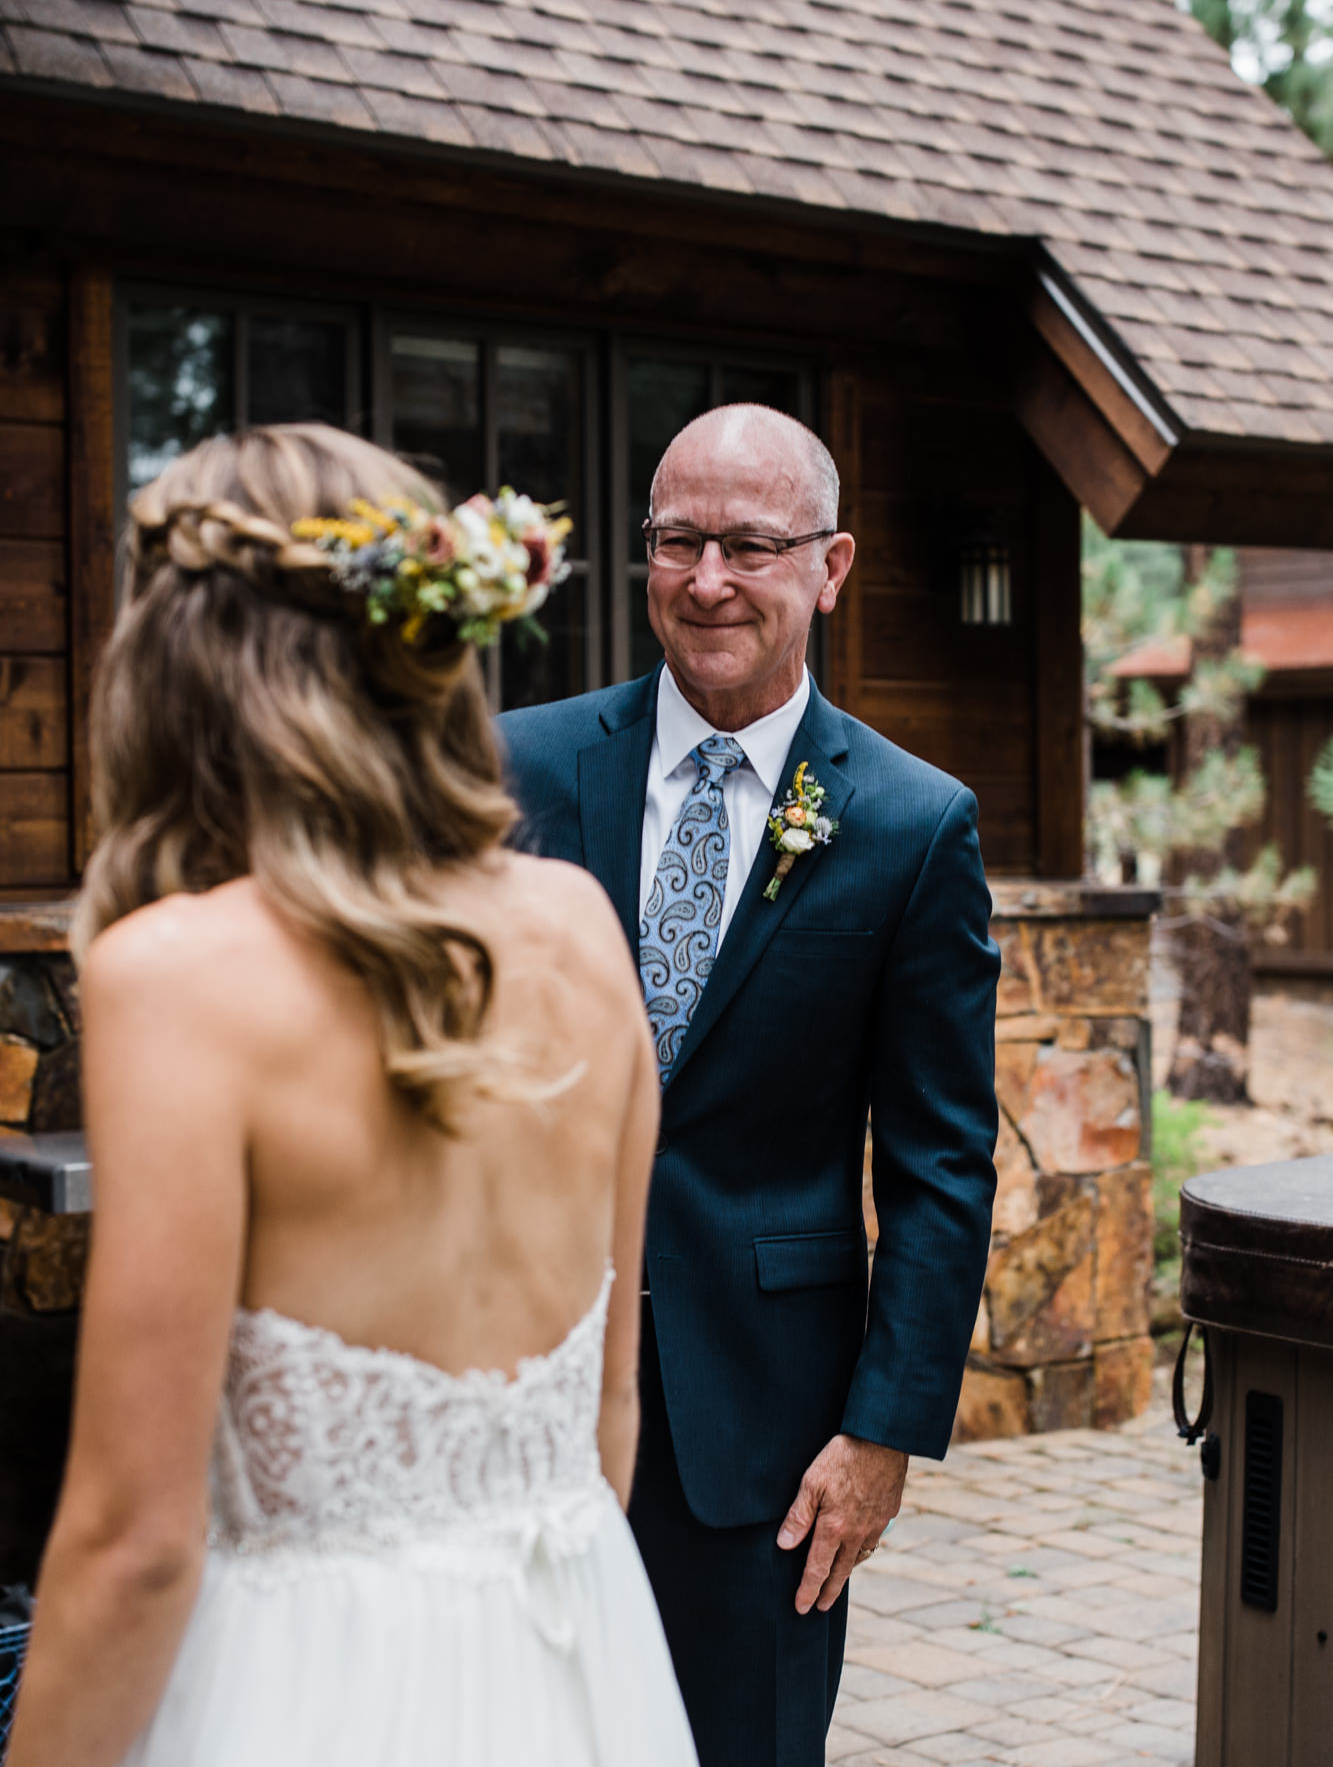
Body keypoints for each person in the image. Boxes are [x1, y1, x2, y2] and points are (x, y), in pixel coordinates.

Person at [7, 423, 698, 1767]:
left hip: (304, 1694)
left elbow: (134, 1546)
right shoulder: (577, 924)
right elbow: (607, 1428)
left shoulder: (177, 975)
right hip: (573, 1663)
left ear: (181, 664)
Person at [497, 404, 1000, 1767]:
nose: (706, 578)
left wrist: (881, 1435)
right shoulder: (512, 771)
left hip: (762, 1428)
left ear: (829, 567)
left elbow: (942, 1163)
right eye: (677, 541)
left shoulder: (908, 822)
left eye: (748, 545)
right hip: (510, 1392)